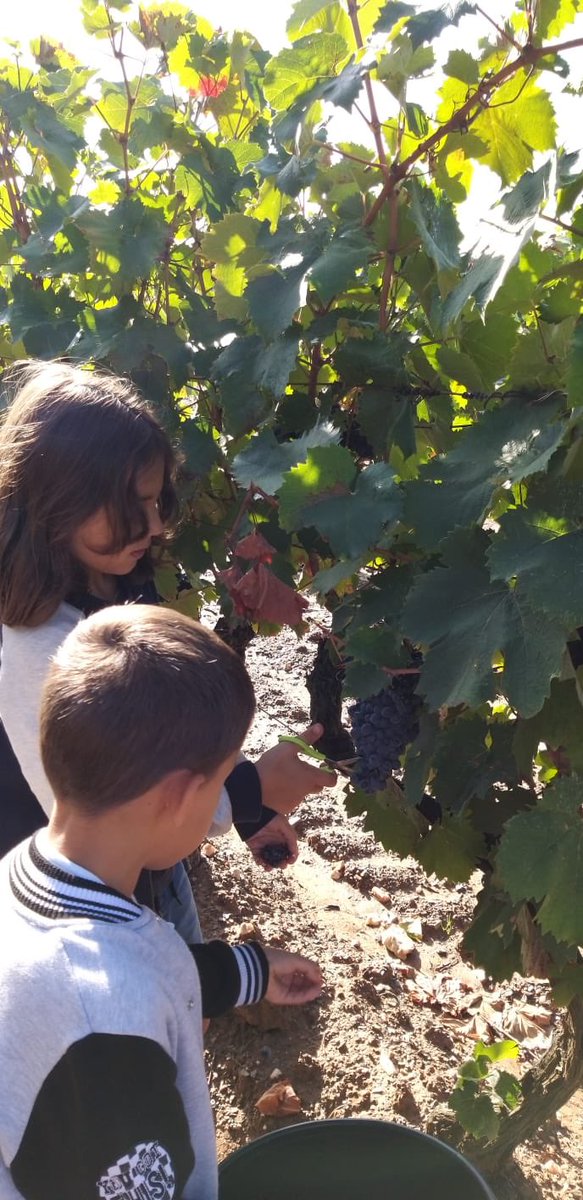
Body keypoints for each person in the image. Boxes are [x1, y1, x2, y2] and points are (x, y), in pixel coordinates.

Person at [0, 360, 336, 937]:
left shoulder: (111, 575)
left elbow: (156, 727)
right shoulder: (38, 648)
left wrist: (246, 809)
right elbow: (110, 816)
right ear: (58, 500)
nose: (155, 526)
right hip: (80, 905)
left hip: (136, 869)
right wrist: (248, 790)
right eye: (136, 507)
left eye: (158, 503)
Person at [0, 604, 323, 1200]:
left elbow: (120, 961)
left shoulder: (25, 878)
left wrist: (242, 973)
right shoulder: (108, 1038)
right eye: (225, 777)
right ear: (179, 796)